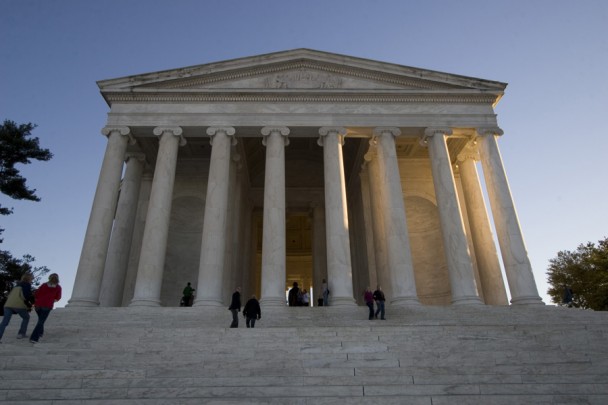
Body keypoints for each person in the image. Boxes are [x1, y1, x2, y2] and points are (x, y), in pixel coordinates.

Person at [0, 273, 34, 343]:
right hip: (18, 304)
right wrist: (30, 304)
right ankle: (21, 333)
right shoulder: (26, 284)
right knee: (26, 317)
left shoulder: (17, 285)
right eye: (32, 278)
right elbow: (26, 295)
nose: (32, 280)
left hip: (8, 305)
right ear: (29, 278)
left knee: (4, 322)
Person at [29, 273, 62, 344]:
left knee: (41, 320)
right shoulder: (58, 287)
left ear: (49, 278)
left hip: (38, 305)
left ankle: (40, 333)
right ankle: (34, 338)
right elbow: (58, 297)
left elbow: (37, 293)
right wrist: (52, 300)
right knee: (41, 321)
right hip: (47, 305)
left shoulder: (44, 285)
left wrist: (38, 299)